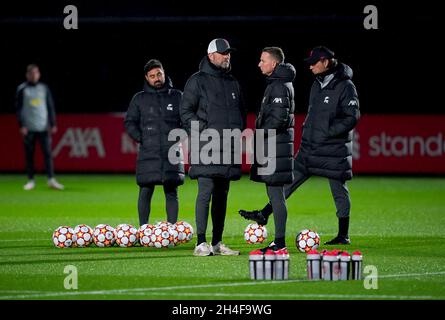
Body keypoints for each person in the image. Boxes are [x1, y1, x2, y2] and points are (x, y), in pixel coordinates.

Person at [240, 46, 360, 245]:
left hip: (333, 149)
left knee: (339, 189)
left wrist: (328, 133)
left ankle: (343, 235)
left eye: (314, 62)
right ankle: (265, 213)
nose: (311, 66)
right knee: (287, 183)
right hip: (309, 148)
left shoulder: (346, 86)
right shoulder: (316, 84)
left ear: (326, 62)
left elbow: (352, 117)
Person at [180, 38, 246, 256]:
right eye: (223, 52)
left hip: (228, 147)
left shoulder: (233, 82)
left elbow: (241, 115)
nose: (227, 56)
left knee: (222, 196)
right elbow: (185, 112)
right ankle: (200, 243)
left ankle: (217, 244)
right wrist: (204, 130)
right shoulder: (196, 81)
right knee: (205, 193)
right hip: (206, 146)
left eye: (229, 52)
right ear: (211, 56)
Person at [125, 59, 185, 226]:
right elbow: (130, 122)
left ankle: (172, 230)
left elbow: (188, 121)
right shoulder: (139, 99)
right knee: (145, 190)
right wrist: (141, 138)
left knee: (171, 191)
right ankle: (143, 229)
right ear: (146, 77)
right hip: (148, 153)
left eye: (159, 74)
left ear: (164, 73)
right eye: (152, 76)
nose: (156, 78)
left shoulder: (178, 96)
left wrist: (178, 136)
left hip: (171, 151)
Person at [249, 47, 295, 253]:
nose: (259, 64)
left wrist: (258, 133)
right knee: (275, 194)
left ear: (274, 64)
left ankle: (280, 243)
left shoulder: (279, 86)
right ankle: (279, 242)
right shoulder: (278, 84)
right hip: (274, 147)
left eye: (262, 60)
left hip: (275, 148)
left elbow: (279, 120)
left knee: (276, 195)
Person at [15, 64, 64, 191]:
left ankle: (51, 179)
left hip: (43, 127)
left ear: (39, 74)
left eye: (36, 73)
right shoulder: (22, 89)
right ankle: (31, 180)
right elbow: (18, 109)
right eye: (31, 73)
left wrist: (52, 124)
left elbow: (50, 106)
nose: (34, 75)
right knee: (30, 155)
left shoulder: (44, 88)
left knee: (48, 154)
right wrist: (21, 125)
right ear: (27, 75)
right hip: (29, 127)